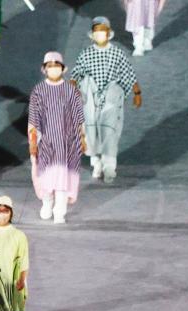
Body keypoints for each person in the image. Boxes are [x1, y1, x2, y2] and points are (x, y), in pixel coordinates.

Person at [69, 16, 142, 183]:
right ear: (92, 34)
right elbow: (76, 75)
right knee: (91, 133)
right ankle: (96, 163)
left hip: (111, 97)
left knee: (109, 131)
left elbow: (128, 74)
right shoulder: (86, 54)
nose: (100, 34)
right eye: (97, 31)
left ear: (108, 33)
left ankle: (109, 167)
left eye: (103, 30)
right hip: (90, 99)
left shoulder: (116, 52)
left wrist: (137, 93)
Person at [28, 51, 87, 224]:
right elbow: (33, 118)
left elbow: (79, 116)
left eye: (56, 66)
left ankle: (60, 211)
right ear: (44, 69)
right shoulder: (38, 91)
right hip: (46, 143)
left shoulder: (71, 90)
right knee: (46, 176)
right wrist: (33, 141)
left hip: (68, 144)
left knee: (63, 176)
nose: (53, 69)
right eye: (50, 66)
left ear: (62, 68)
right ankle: (47, 203)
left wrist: (82, 138)